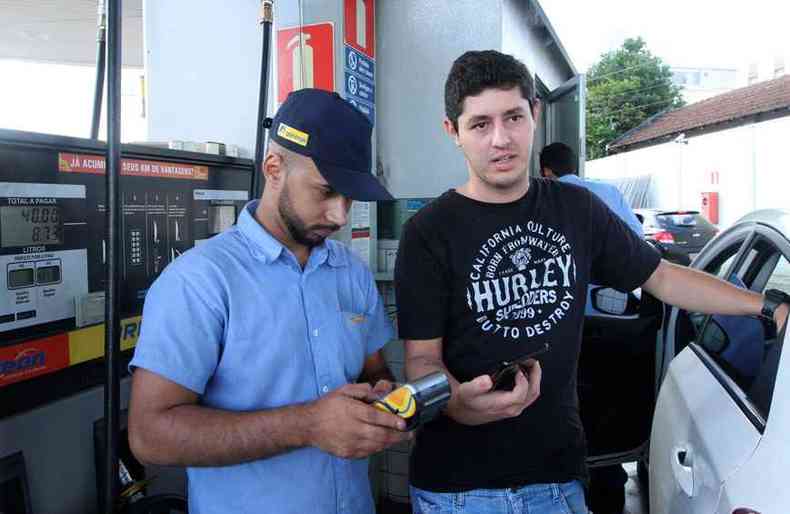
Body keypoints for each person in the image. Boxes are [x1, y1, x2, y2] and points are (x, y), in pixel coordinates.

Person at [394, 50, 788, 514]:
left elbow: (661, 276)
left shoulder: (575, 210)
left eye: (513, 117)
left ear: (535, 115)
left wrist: (766, 307)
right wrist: (458, 403)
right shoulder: (428, 233)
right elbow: (421, 360)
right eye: (480, 124)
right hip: (458, 488)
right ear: (453, 132)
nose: (500, 139)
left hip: (556, 478)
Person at [128, 88, 410, 514]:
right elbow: (150, 435)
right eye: (326, 191)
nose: (339, 215)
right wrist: (308, 425)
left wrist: (384, 396)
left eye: (350, 197)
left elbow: (374, 370)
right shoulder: (200, 281)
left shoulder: (350, 274)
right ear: (274, 167)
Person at [540, 141, 641, 513]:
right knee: (606, 405)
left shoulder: (547, 198)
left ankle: (568, 483)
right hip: (612, 323)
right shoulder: (608, 193)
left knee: (566, 403)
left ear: (545, 170)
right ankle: (609, 482)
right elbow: (638, 248)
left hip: (560, 328)